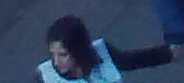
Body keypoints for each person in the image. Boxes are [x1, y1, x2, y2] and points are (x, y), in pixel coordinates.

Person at [39, 13, 174, 81]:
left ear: (77, 49)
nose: (56, 62)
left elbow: (133, 60)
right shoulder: (46, 78)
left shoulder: (104, 55)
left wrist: (170, 53)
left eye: (63, 54)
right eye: (53, 54)